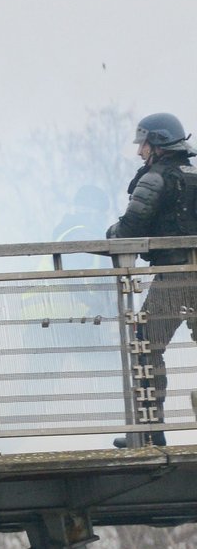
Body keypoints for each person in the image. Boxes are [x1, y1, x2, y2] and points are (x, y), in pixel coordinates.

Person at [107, 113, 197, 447]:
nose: (139, 152)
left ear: (156, 143)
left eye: (142, 144)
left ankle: (150, 430)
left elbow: (130, 230)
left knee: (146, 343)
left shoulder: (155, 178)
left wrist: (110, 235)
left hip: (175, 280)